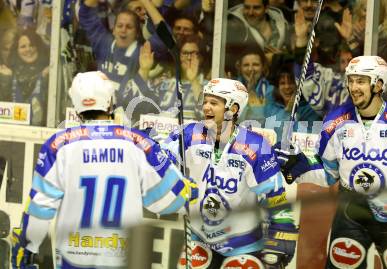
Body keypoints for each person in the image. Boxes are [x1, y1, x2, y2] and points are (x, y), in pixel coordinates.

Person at [10, 71, 198, 268]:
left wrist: (28, 247)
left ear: (76, 104)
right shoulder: (137, 142)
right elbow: (163, 201)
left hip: (74, 256)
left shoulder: (58, 145)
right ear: (110, 102)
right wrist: (187, 191)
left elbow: (40, 208)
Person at [278, 56, 387, 268]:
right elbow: (328, 174)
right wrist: (298, 167)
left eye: (361, 81)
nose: (354, 87)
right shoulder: (335, 122)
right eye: (351, 80)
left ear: (379, 84)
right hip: (351, 216)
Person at [164, 78, 298, 268]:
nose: (206, 108)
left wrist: (283, 230)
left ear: (233, 109)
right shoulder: (189, 134)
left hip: (244, 244)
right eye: (205, 101)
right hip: (199, 238)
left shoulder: (255, 145)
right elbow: (159, 159)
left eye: (214, 103)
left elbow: (274, 194)